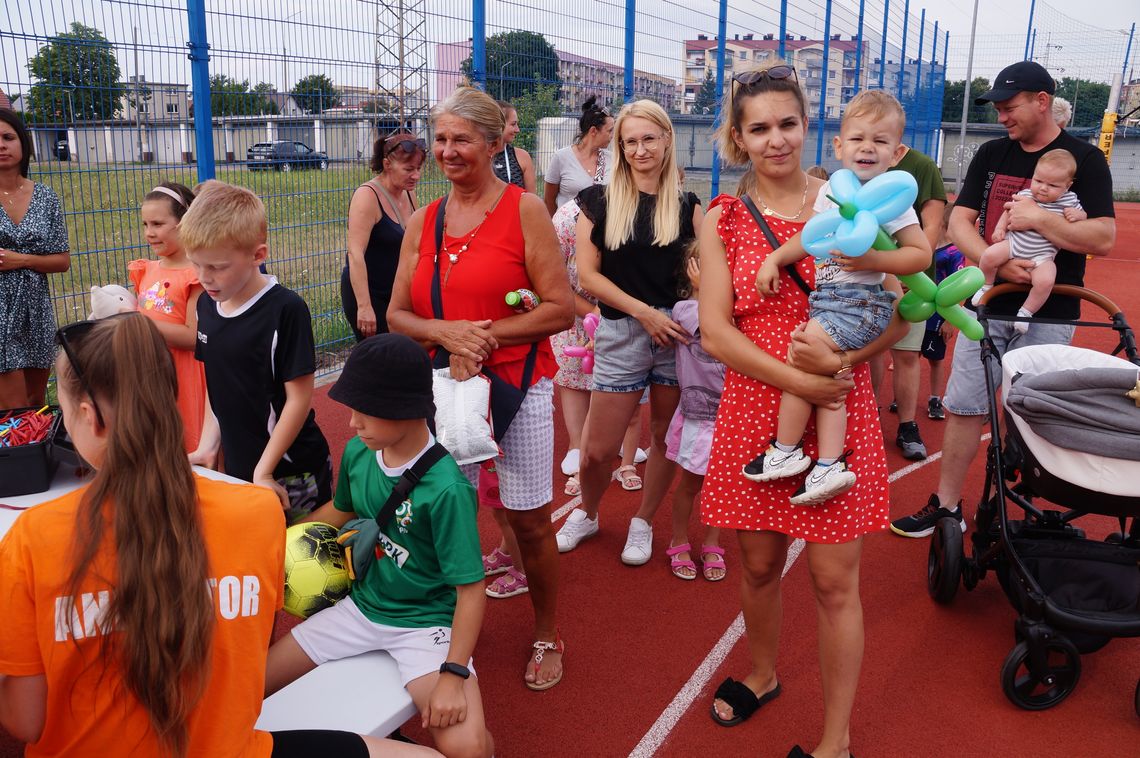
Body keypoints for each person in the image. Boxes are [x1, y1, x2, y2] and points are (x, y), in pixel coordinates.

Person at [0, 313, 435, 758]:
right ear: (167, 400)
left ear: (90, 418)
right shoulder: (258, 514)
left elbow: (25, 721)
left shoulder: (31, 538)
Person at [699, 62, 908, 758]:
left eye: (788, 123)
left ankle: (835, 742)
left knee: (833, 582)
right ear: (738, 136)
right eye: (759, 127)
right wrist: (800, 377)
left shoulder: (859, 200)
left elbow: (902, 316)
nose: (776, 139)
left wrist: (839, 369)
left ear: (808, 125)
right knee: (756, 565)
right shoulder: (722, 220)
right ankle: (762, 674)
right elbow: (716, 331)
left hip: (835, 413)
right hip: (754, 411)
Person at [387, 86, 573, 690]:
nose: (447, 151)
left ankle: (547, 631)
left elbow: (560, 309)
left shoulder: (524, 210)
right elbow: (396, 317)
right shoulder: (424, 219)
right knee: (446, 517)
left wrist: (480, 339)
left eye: (461, 139)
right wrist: (447, 333)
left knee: (528, 520)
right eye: (439, 139)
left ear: (496, 143)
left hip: (518, 386)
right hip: (443, 390)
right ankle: (441, 628)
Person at [891, 60, 1115, 539]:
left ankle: (1027, 517)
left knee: (1035, 414)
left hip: (1049, 315)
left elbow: (1102, 236)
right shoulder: (993, 153)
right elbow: (959, 222)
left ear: (1041, 101)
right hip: (988, 308)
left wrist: (1039, 221)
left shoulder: (1085, 160)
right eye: (997, 108)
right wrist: (998, 264)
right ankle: (947, 505)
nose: (1002, 117)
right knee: (965, 405)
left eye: (1009, 107)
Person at [265, 334, 492, 758]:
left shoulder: (447, 490)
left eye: (365, 412)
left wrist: (453, 674)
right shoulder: (359, 452)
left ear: (405, 409)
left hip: (424, 625)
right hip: (359, 608)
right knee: (249, 686)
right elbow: (340, 510)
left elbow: (471, 589)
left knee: (468, 748)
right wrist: (273, 542)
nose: (352, 423)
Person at [748, 89, 930, 505]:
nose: (868, 148)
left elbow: (921, 254)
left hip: (859, 305)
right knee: (824, 378)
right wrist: (774, 259)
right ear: (838, 145)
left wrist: (874, 257)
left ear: (897, 152)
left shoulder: (892, 201)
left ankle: (786, 451)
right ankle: (828, 467)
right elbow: (810, 239)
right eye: (858, 139)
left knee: (802, 358)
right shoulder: (834, 192)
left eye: (880, 142)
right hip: (832, 302)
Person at [553, 99, 703, 566]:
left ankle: (642, 521)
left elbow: (707, 274)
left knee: (663, 437)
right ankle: (590, 512)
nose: (640, 150)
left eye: (648, 139)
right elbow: (590, 278)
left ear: (666, 140)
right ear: (619, 146)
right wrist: (644, 314)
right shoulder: (597, 201)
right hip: (622, 331)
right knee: (598, 451)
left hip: (677, 336)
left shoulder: (687, 205)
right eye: (630, 141)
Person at [182, 180, 332, 521]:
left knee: (301, 564)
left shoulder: (286, 309)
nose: (204, 277)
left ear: (258, 255)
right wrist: (208, 445)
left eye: (217, 267)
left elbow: (298, 399)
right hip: (241, 468)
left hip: (291, 471)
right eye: (196, 264)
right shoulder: (207, 305)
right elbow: (217, 382)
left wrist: (264, 470)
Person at [550, 197, 648, 498]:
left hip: (622, 310)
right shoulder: (566, 220)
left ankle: (615, 448)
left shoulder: (642, 211)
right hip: (578, 305)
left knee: (615, 387)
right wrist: (595, 314)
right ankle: (578, 449)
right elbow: (555, 282)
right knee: (573, 374)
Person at [128, 181, 207, 452]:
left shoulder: (196, 275)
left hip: (184, 376)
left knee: (186, 444)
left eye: (158, 224)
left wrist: (137, 322)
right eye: (145, 225)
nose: (149, 233)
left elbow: (194, 336)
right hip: (149, 373)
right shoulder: (145, 270)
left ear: (184, 222)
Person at [971, 148, 1085, 333]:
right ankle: (986, 286)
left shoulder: (1070, 201)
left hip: (1042, 256)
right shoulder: (1025, 194)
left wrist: (1079, 215)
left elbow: (1084, 216)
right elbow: (1008, 210)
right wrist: (1000, 228)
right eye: (1038, 180)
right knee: (989, 255)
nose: (1043, 188)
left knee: (1046, 281)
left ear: (1067, 186)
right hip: (1014, 244)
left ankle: (1025, 313)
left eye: (1053, 185)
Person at [0, 108, 69, 409]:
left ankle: (35, 457)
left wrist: (22, 260)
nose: (1, 145)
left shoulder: (45, 197)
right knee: (11, 409)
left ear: (23, 144)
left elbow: (62, 261)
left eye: (7, 137)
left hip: (35, 310)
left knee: (35, 403)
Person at [664, 241, 725, 581]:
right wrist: (704, 290)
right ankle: (679, 539)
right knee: (690, 483)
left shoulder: (733, 309)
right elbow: (710, 323)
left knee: (719, 485)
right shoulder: (685, 310)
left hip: (731, 413)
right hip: (699, 416)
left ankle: (713, 542)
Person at [882, 141, 947, 460]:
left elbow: (932, 225)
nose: (870, 143)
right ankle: (867, 424)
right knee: (869, 358)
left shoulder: (922, 166)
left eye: (881, 135)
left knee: (906, 355)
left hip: (912, 283)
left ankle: (907, 426)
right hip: (866, 279)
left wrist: (911, 270)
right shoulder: (857, 168)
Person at [342, 132, 426, 341]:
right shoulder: (367, 196)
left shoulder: (408, 193)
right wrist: (364, 307)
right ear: (387, 164)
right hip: (371, 294)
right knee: (380, 359)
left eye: (418, 168)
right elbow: (355, 254)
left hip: (395, 293)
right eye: (408, 169)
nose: (416, 175)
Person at [921, 205, 966, 421]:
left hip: (939, 313)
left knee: (936, 359)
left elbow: (957, 289)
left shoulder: (954, 252)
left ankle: (935, 397)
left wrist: (949, 320)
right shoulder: (924, 244)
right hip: (918, 307)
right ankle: (901, 396)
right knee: (910, 354)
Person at [542, 96, 614, 216]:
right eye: (609, 131)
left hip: (600, 232)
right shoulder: (561, 157)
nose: (612, 136)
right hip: (567, 233)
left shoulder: (611, 159)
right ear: (593, 131)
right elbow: (549, 200)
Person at [492, 101, 537, 193]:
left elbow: (532, 199)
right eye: (513, 124)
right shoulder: (479, 157)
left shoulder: (522, 157)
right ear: (498, 125)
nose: (517, 130)